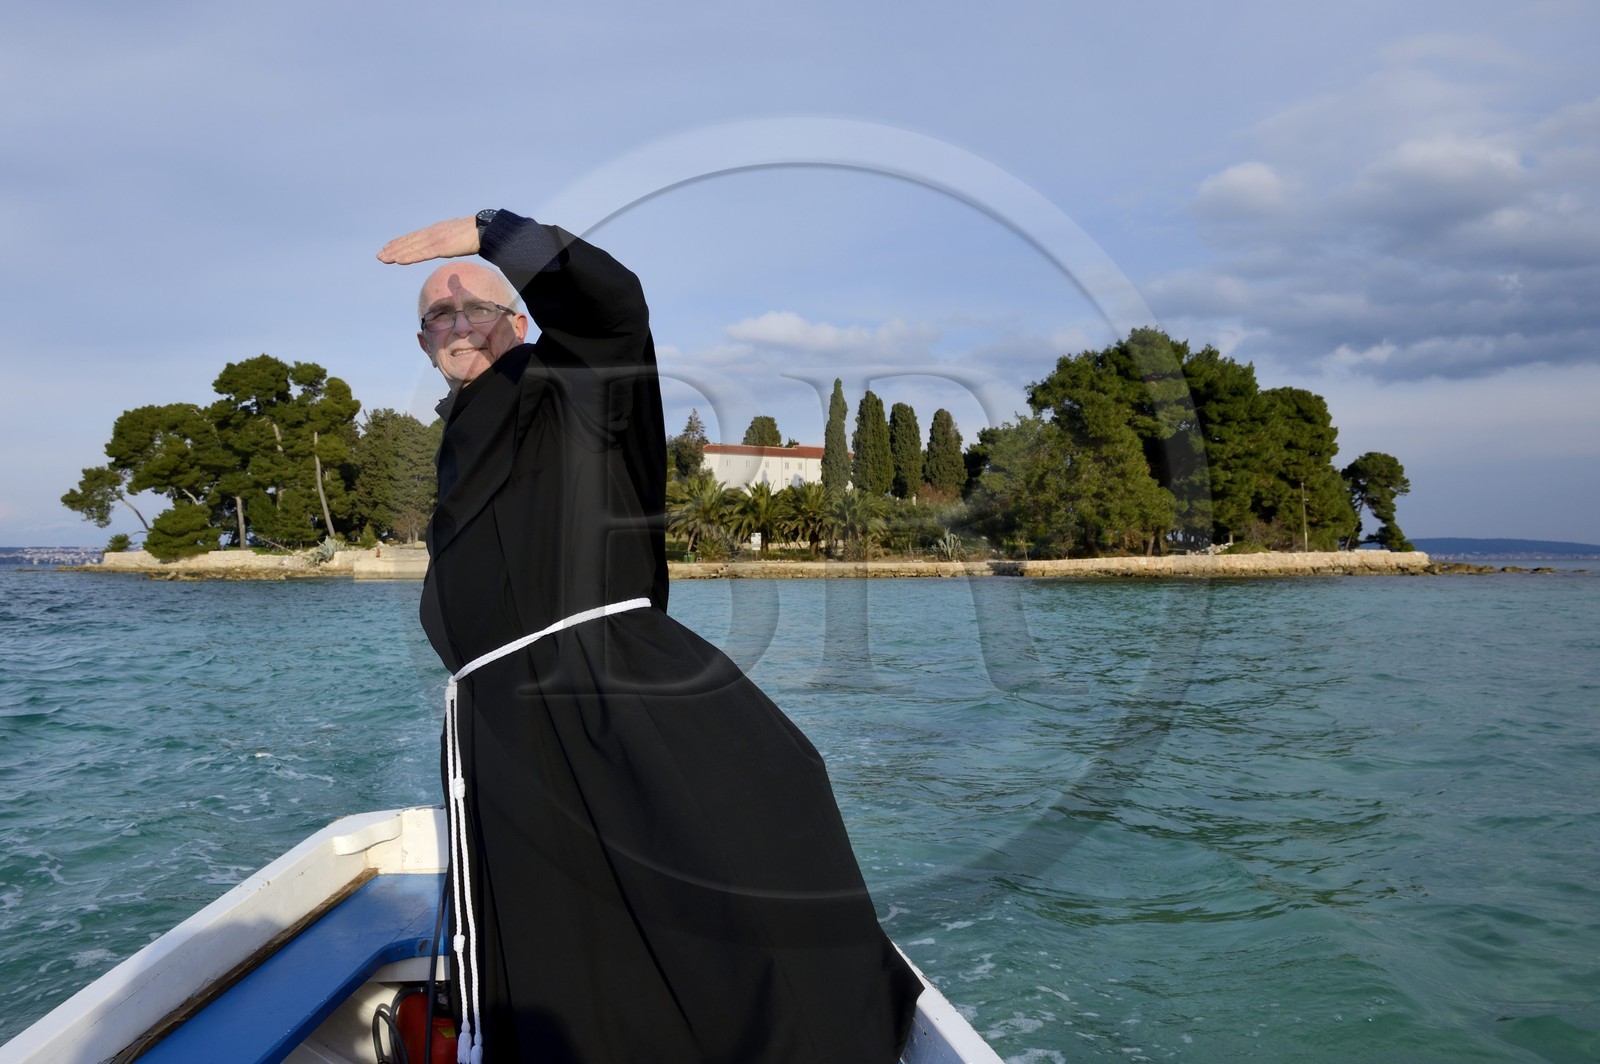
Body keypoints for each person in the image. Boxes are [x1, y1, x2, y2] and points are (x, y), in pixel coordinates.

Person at [378, 210, 921, 1063]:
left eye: (474, 307)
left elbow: (613, 308)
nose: (455, 323)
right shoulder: (465, 422)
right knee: (574, 939)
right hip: (514, 722)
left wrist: (493, 235)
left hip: (601, 697)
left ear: (518, 320)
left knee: (699, 918)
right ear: (422, 343)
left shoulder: (567, 384)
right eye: (438, 317)